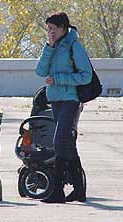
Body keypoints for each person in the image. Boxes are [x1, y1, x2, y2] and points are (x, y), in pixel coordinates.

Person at [35, 12, 91, 203]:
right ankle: (79, 190)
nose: (50, 32)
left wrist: (58, 79)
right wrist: (49, 47)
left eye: (53, 28)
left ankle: (58, 190)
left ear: (63, 28)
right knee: (67, 145)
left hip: (71, 101)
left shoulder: (74, 46)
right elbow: (40, 71)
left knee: (59, 142)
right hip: (56, 100)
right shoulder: (52, 47)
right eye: (48, 28)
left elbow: (86, 76)